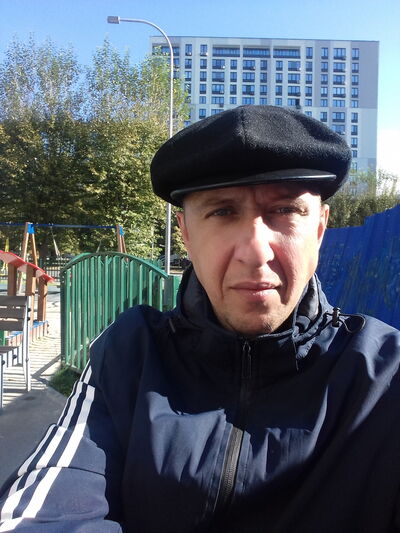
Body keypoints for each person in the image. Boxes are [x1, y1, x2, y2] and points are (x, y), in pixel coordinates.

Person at [0, 105, 399, 533]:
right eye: (223, 212)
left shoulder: (383, 376)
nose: (255, 251)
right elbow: (40, 513)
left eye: (284, 210)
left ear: (319, 229)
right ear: (186, 234)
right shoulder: (132, 353)